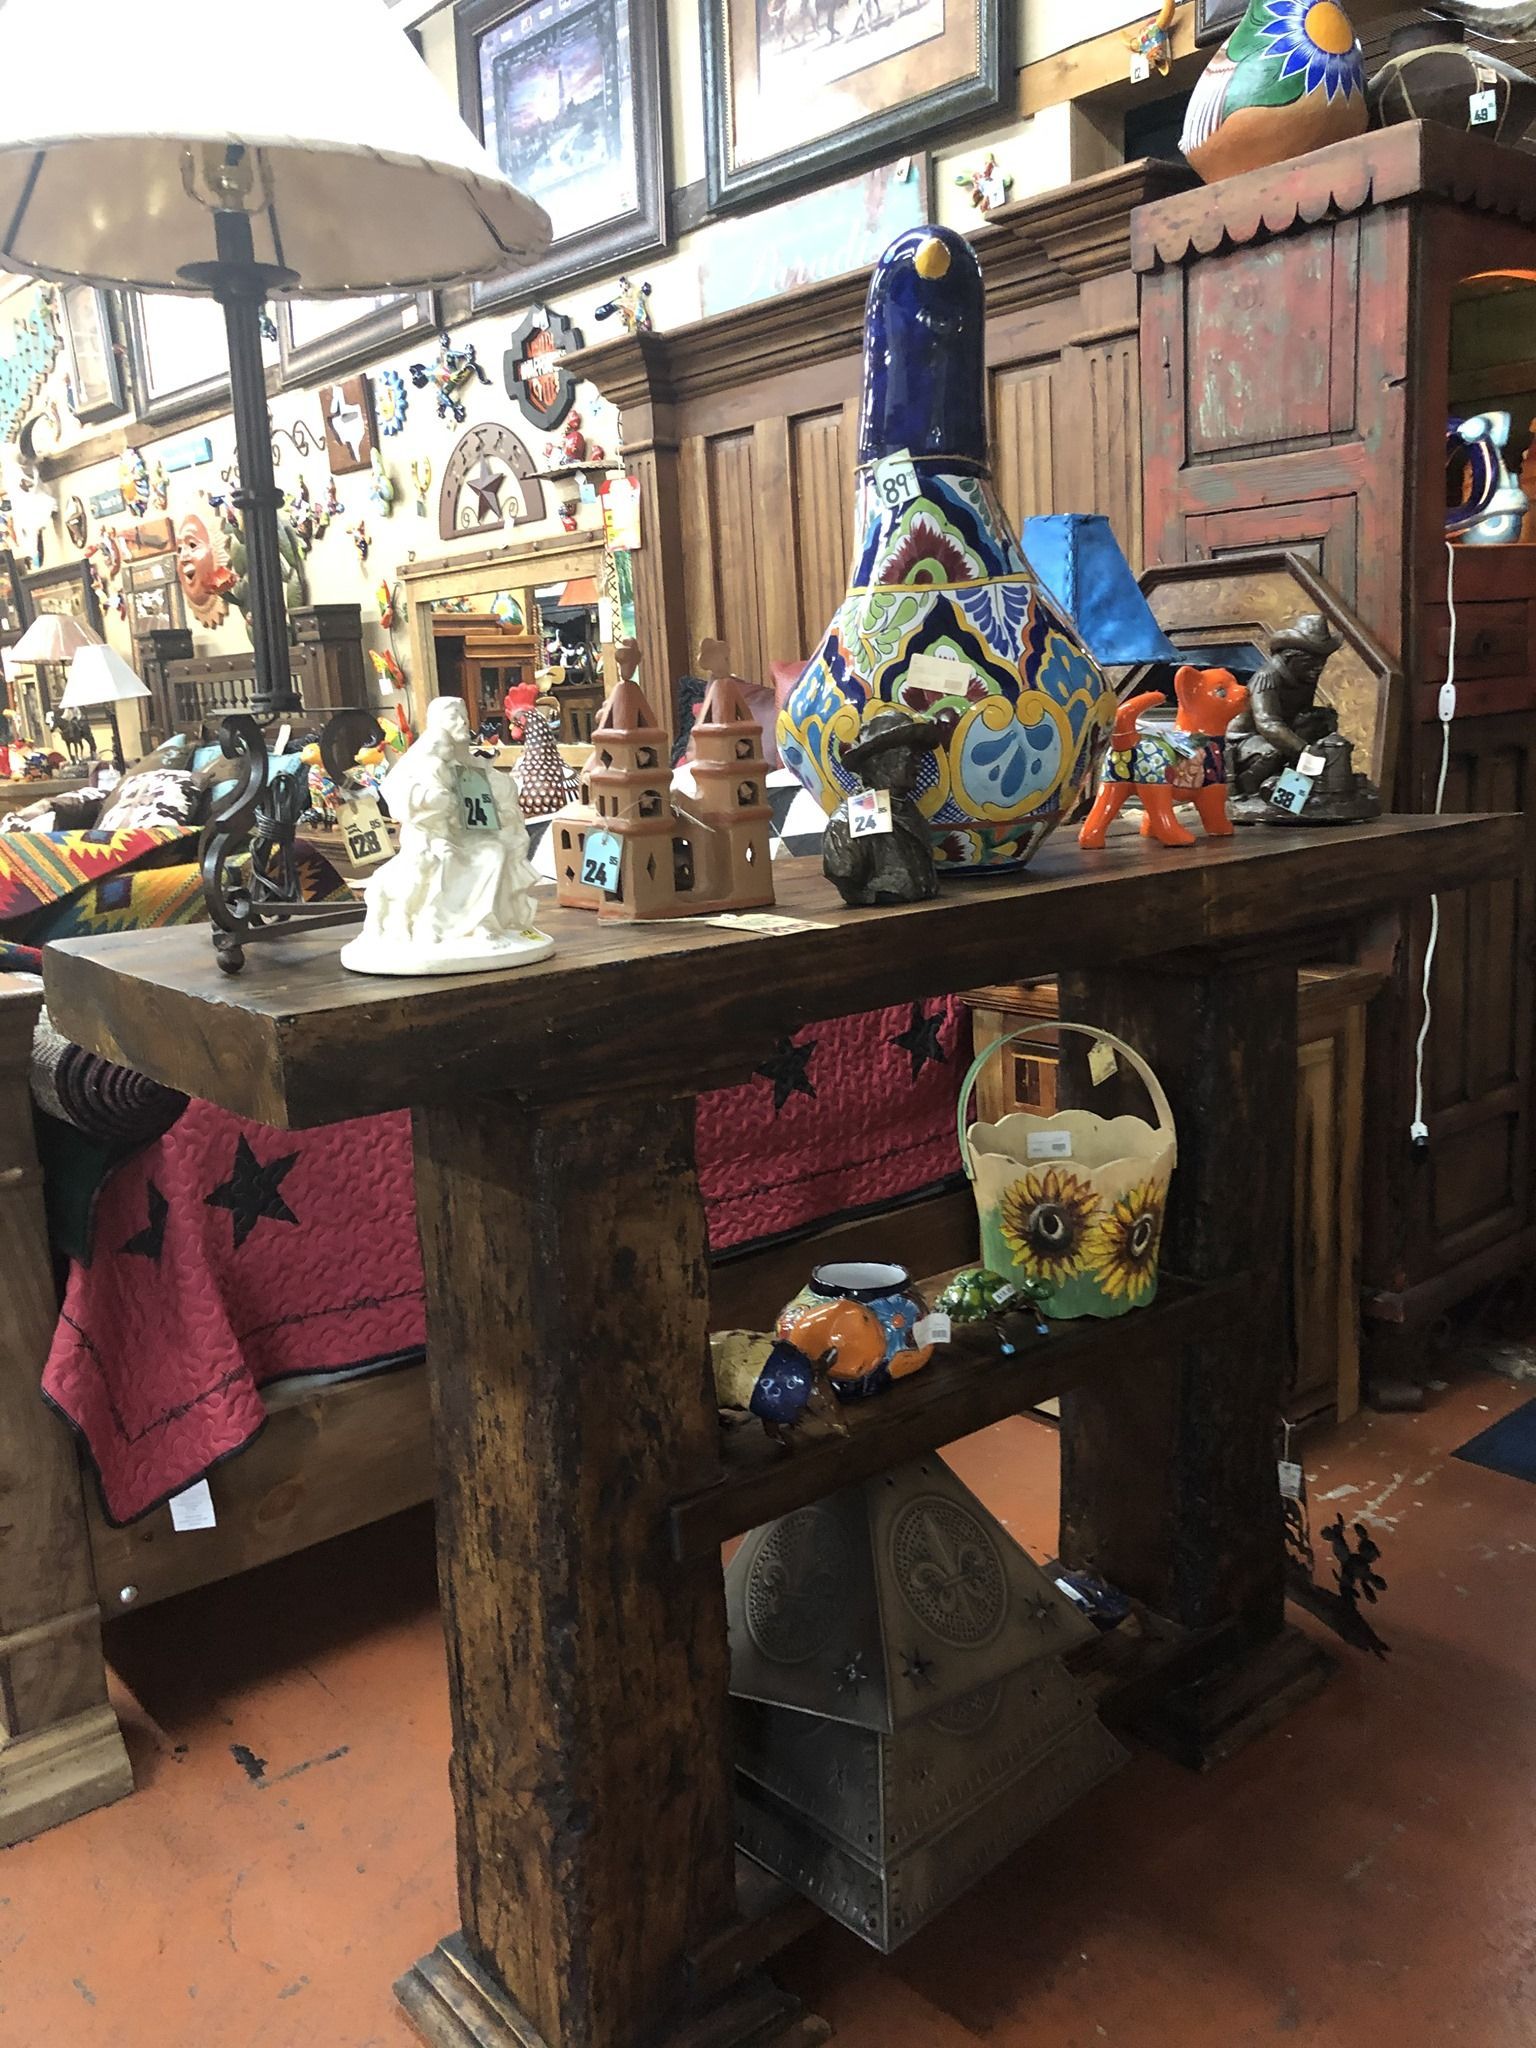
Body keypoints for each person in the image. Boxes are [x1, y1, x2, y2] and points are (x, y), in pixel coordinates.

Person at [343, 695, 551, 975]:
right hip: (430, 836)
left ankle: (483, 924)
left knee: (494, 853)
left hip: (469, 836)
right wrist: (429, 802)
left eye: (464, 717)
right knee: (442, 860)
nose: (462, 723)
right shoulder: (423, 758)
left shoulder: (468, 761)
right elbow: (397, 793)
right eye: (454, 717)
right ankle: (432, 923)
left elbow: (489, 796)